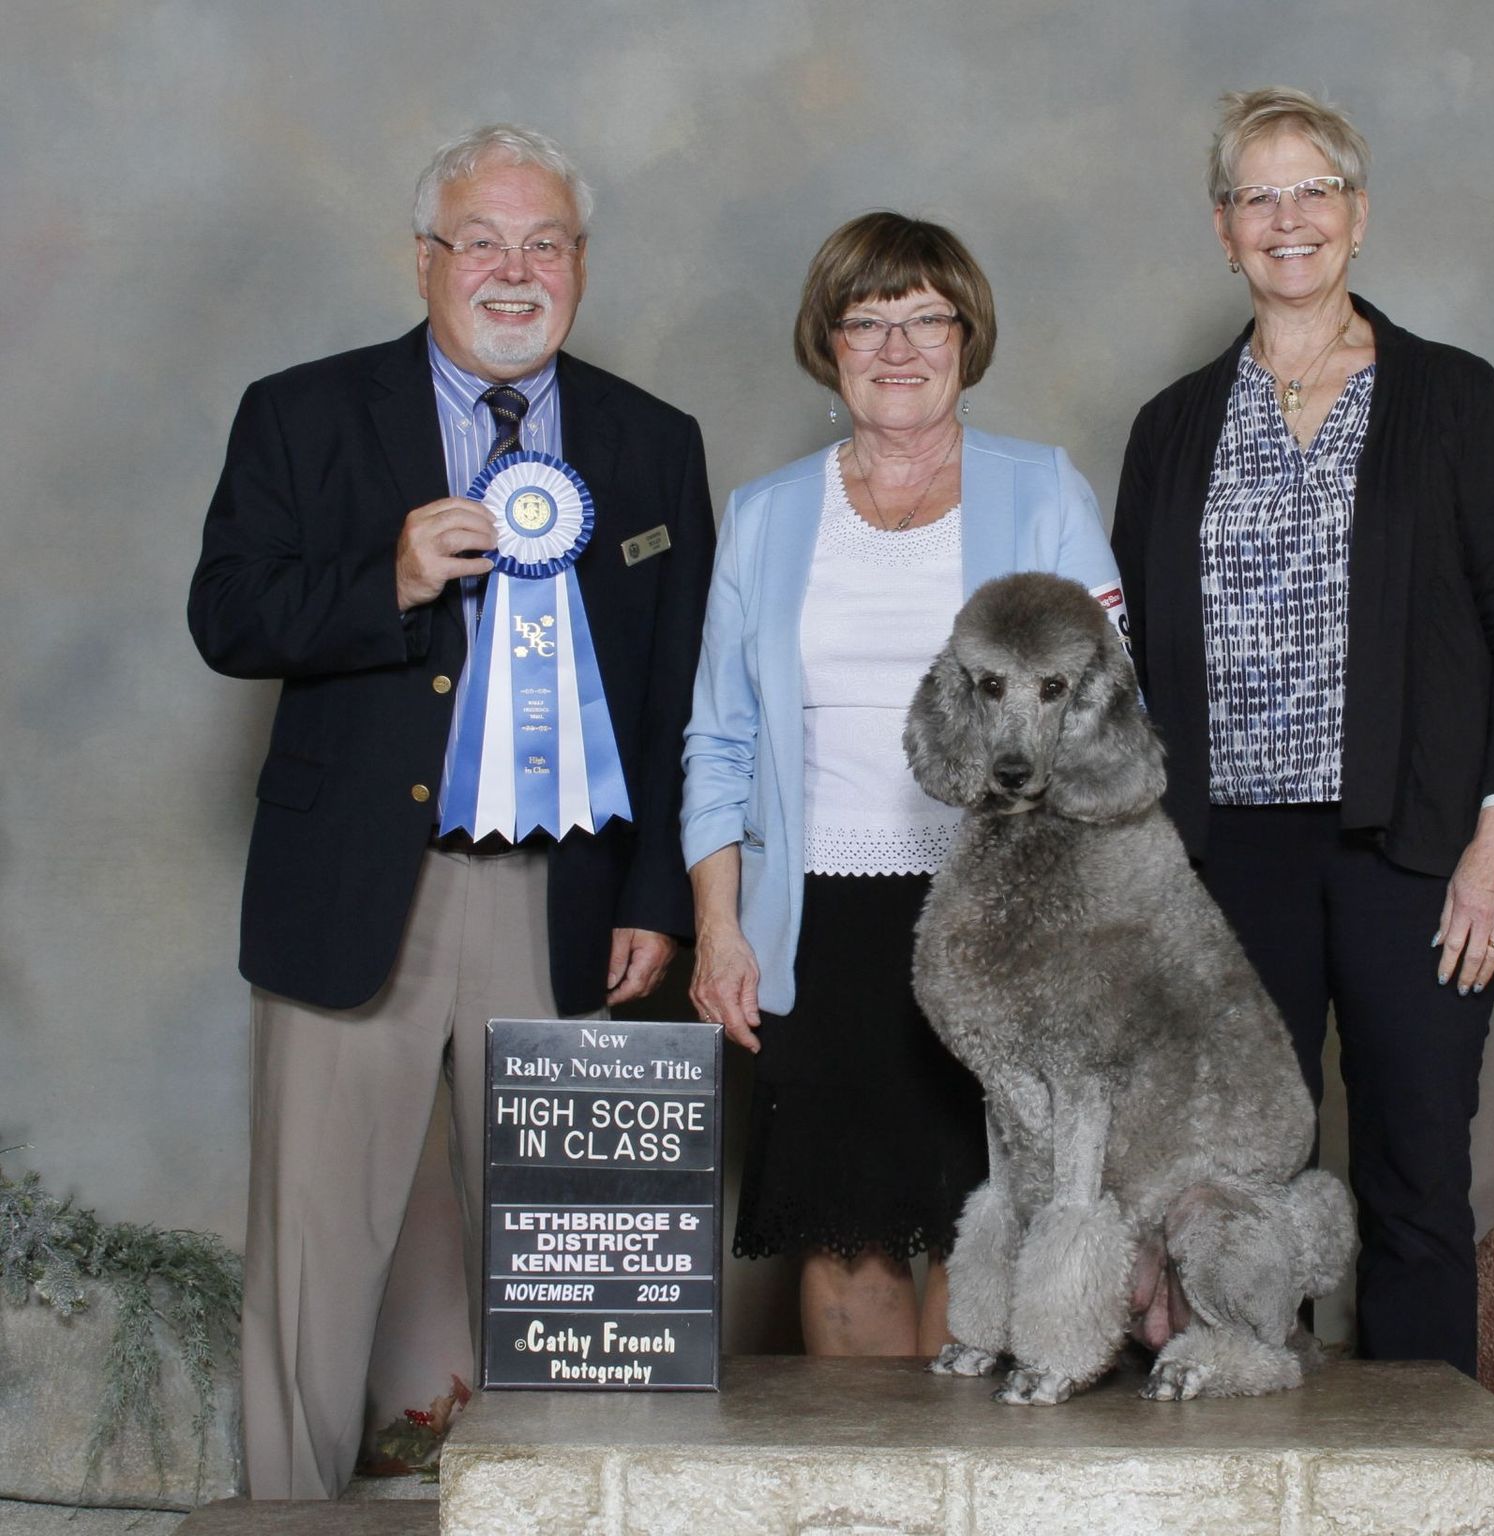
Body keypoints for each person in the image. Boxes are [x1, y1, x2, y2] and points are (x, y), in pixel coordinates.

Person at [188, 124, 713, 1497]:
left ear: (581, 267)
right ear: (424, 259)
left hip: (572, 902)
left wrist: (660, 896)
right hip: (359, 885)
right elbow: (228, 616)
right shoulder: (299, 413)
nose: (513, 269)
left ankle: (574, 1520)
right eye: (481, 239)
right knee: (312, 1259)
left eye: (544, 242)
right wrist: (393, 575)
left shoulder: (656, 445)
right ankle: (285, 1521)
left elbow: (682, 700)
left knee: (577, 1270)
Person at [1111, 88, 1494, 1377]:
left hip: (1416, 851)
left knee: (1414, 1178)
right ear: (1223, 230)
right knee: (1240, 1193)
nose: (1288, 218)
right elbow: (1133, 658)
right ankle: (1254, 1478)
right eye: (1259, 195)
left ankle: (1422, 1485)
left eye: (1314, 190)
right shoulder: (1172, 426)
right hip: (1225, 861)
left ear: (1357, 218)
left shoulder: (1450, 398)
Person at [681, 212, 1127, 1357]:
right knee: (845, 1233)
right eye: (866, 320)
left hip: (997, 916)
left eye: (926, 318)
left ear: (967, 337)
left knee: (982, 1220)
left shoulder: (1042, 491)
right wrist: (720, 928)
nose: (897, 346)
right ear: (825, 345)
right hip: (815, 919)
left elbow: (1108, 710)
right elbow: (719, 742)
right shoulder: (767, 515)